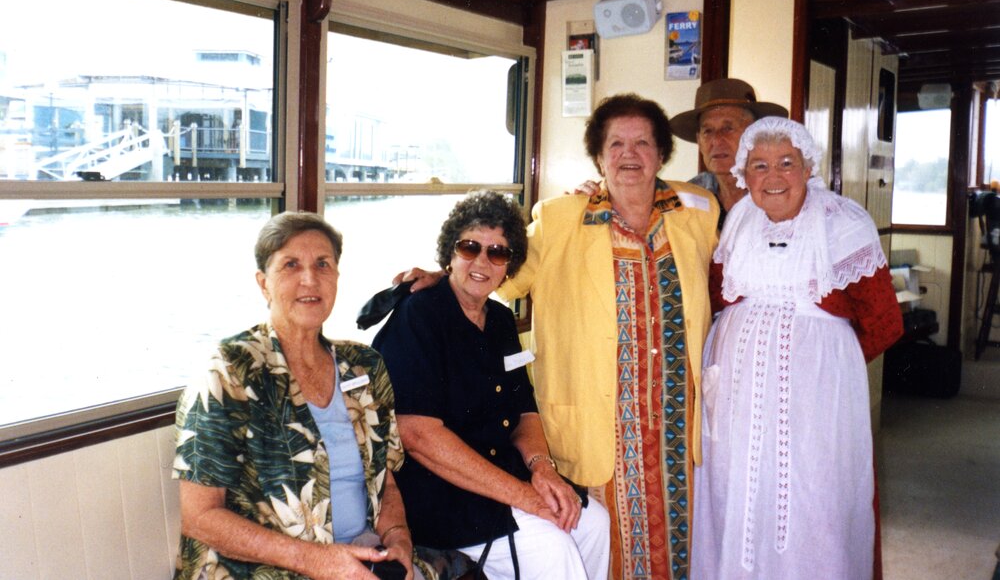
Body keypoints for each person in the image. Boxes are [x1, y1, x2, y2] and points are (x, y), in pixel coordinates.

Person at [397, 94, 719, 579]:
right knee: (604, 546)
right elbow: (499, 273)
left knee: (681, 544)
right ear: (597, 155)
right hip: (601, 425)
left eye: (642, 143)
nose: (629, 154)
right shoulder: (563, 216)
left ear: (661, 153)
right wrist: (444, 275)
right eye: (616, 144)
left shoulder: (699, 211)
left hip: (674, 423)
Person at [692, 117, 903, 579]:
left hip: (815, 398)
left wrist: (825, 367)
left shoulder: (843, 221)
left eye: (787, 163)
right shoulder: (738, 219)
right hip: (737, 399)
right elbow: (717, 294)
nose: (772, 177)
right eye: (759, 166)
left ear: (808, 168)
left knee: (813, 498)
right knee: (739, 491)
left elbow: (884, 322)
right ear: (744, 176)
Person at [173, 211, 431, 580]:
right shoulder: (229, 371)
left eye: (322, 264)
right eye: (290, 265)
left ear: (337, 278)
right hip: (261, 569)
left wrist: (398, 539)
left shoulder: (364, 366)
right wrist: (318, 561)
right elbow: (200, 517)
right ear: (264, 283)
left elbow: (384, 481)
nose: (310, 279)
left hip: (363, 556)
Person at [372, 190, 611, 580]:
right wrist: (525, 498)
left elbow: (524, 412)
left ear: (509, 265)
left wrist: (543, 470)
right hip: (442, 494)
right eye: (471, 247)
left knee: (594, 523)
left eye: (498, 252)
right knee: (553, 546)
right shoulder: (419, 317)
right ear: (450, 254)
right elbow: (417, 434)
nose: (482, 262)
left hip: (502, 476)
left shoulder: (499, 320)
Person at [668, 78, 788, 226]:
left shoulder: (781, 192)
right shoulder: (691, 196)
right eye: (708, 131)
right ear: (699, 140)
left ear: (755, 135)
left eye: (728, 128)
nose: (717, 140)